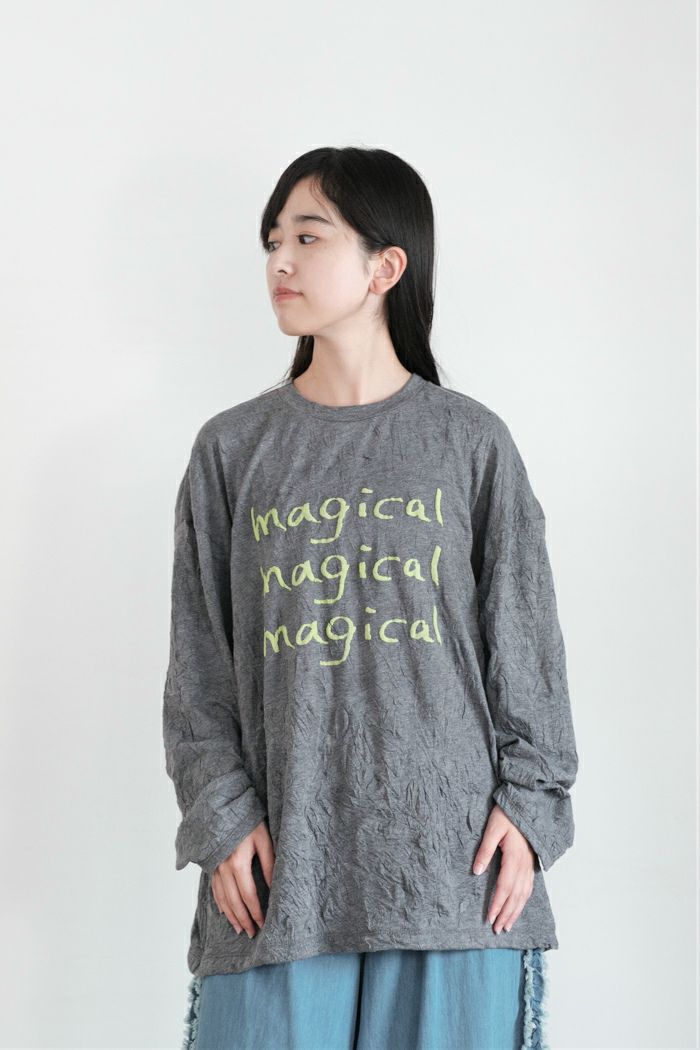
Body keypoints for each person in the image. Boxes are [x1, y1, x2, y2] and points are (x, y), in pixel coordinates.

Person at [162, 146, 578, 1050]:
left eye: (307, 238)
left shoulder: (470, 442)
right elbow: (199, 663)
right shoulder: (232, 451)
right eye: (273, 241)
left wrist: (531, 807)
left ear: (386, 266)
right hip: (277, 881)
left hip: (455, 881)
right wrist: (221, 818)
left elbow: (528, 647)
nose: (279, 261)